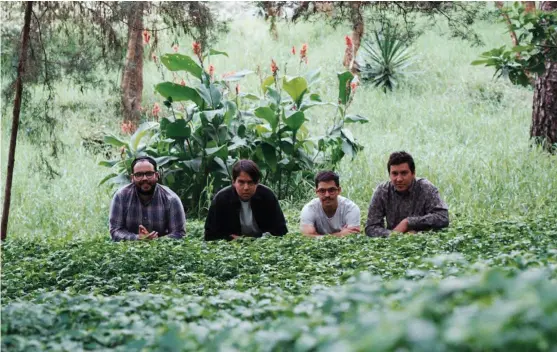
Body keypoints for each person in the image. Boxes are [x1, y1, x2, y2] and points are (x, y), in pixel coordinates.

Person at [365, 151, 449, 237]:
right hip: (393, 244)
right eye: (394, 174)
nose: (399, 179)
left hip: (423, 241)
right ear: (389, 174)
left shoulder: (425, 188)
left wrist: (408, 222)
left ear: (413, 173)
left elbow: (443, 217)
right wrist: (395, 235)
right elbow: (371, 227)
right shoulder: (382, 191)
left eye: (404, 173)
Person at [204, 160, 288, 241]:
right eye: (241, 182)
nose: (246, 188)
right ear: (234, 182)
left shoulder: (267, 196)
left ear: (257, 182)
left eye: (250, 183)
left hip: (262, 244)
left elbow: (281, 230)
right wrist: (230, 238)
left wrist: (261, 238)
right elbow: (210, 235)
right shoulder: (221, 199)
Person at [109, 156, 186, 241]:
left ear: (156, 175)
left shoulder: (171, 199)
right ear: (132, 178)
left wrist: (157, 241)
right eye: (139, 175)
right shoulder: (121, 197)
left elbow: (179, 233)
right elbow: (115, 231)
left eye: (149, 174)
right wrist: (137, 238)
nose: (144, 178)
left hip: (161, 251)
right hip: (129, 251)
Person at [300, 171, 361, 237]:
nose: (327, 195)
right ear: (316, 192)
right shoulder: (309, 209)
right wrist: (340, 235)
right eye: (322, 191)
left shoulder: (351, 208)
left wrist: (317, 236)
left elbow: (353, 236)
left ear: (339, 190)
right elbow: (307, 236)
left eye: (331, 190)